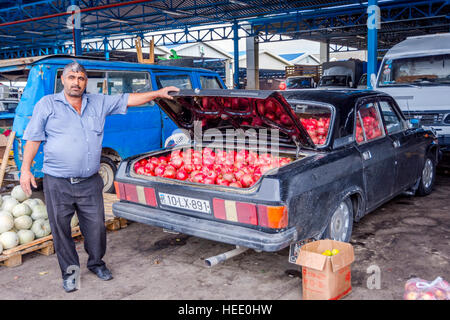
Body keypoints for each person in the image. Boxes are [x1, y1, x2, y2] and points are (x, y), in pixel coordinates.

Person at [19, 61, 179, 293]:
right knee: (61, 230)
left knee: (96, 228)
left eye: (81, 78)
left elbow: (129, 98)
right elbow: (33, 139)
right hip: (57, 182)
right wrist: (25, 170)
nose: (76, 82)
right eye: (72, 77)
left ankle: (96, 263)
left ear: (86, 81)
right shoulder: (47, 104)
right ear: (63, 80)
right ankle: (70, 273)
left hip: (90, 182)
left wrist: (158, 93)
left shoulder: (99, 102)